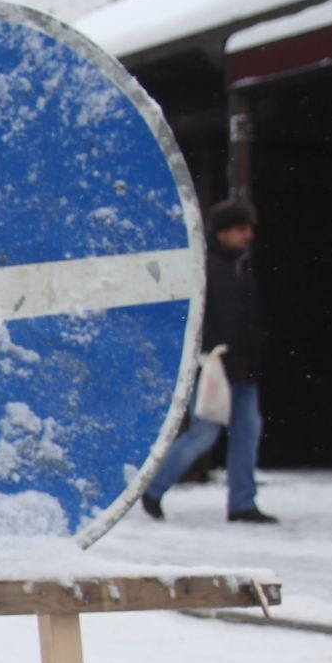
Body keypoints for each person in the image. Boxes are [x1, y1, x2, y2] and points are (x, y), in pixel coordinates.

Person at [142, 197, 277, 524]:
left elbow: (248, 320)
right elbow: (201, 319)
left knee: (246, 431)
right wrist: (209, 353)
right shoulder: (208, 269)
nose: (248, 235)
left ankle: (242, 502)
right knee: (204, 432)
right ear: (222, 233)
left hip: (241, 368)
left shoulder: (239, 267)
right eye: (241, 229)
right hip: (215, 366)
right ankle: (154, 486)